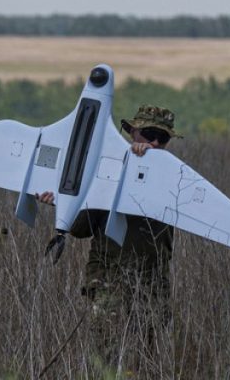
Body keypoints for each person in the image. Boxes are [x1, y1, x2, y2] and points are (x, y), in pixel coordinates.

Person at [38, 104, 181, 361]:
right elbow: (81, 228)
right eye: (149, 134)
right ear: (132, 133)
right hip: (108, 278)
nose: (156, 143)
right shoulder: (110, 169)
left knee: (147, 360)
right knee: (107, 355)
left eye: (163, 138)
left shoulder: (173, 176)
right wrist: (63, 205)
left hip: (151, 284)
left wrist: (146, 169)